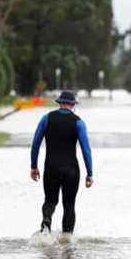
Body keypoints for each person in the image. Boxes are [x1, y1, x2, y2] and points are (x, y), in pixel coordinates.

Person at [30, 91, 94, 234]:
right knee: (69, 205)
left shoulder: (46, 118)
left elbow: (35, 144)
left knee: (50, 201)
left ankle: (46, 221)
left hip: (51, 168)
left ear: (59, 103)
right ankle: (67, 241)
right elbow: (86, 150)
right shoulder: (78, 122)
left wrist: (34, 166)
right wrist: (90, 173)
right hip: (71, 170)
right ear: (73, 105)